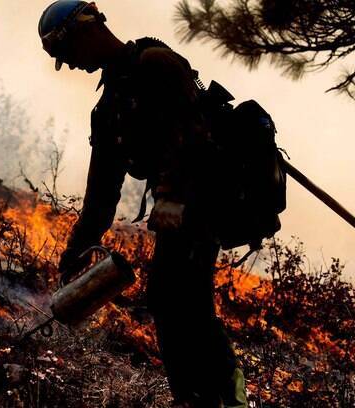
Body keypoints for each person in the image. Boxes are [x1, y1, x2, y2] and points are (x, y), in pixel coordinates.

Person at [38, 2, 249, 407]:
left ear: (87, 31)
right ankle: (192, 397)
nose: (73, 65)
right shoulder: (109, 109)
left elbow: (194, 135)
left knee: (182, 299)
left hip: (202, 201)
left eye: (68, 53)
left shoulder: (157, 64)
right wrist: (74, 254)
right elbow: (101, 195)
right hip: (175, 213)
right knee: (167, 300)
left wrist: (171, 196)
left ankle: (227, 395)